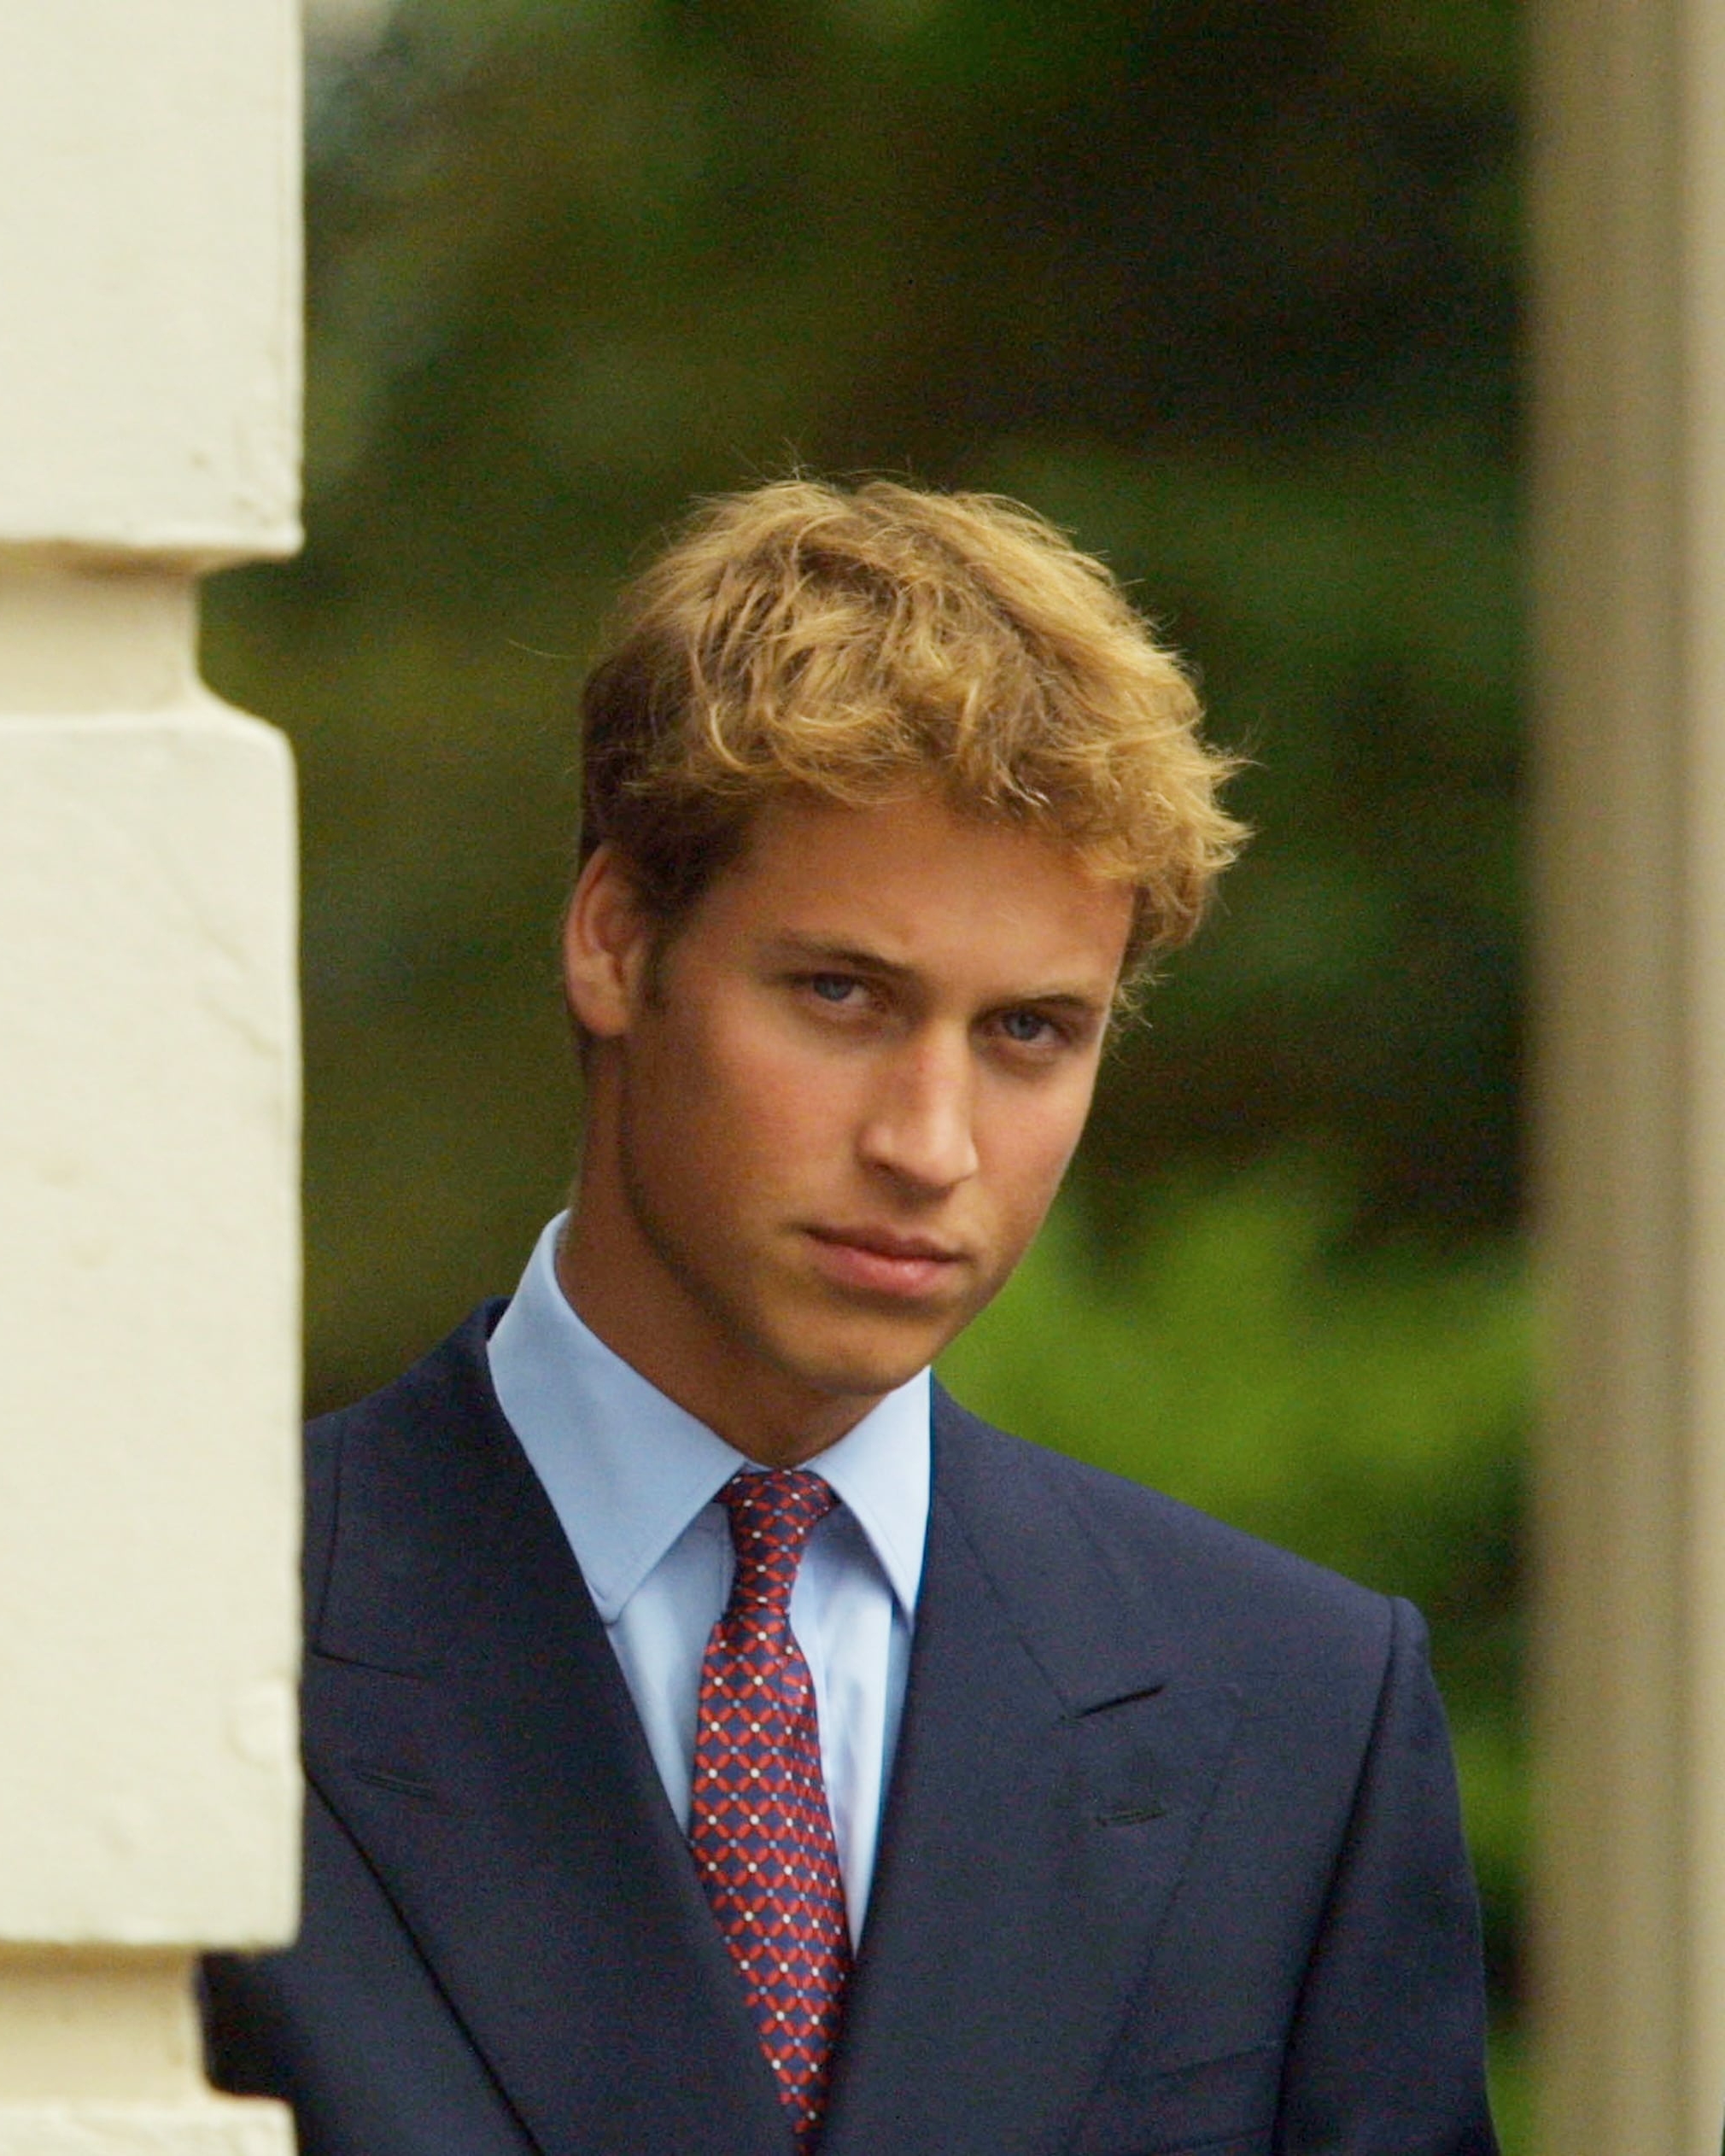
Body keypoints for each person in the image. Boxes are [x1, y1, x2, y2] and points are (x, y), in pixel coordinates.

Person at [200, 481, 1495, 2155]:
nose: (930, 1144)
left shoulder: (1301, 1720)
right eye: (841, 995)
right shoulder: (199, 1650)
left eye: (1031, 1033)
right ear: (615, 940)